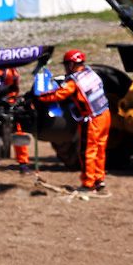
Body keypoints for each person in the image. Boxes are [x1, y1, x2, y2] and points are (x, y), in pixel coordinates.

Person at [40, 49, 112, 194]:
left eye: (67, 65)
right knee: (100, 150)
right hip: (105, 114)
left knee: (87, 152)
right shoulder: (91, 73)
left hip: (92, 120)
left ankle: (88, 184)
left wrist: (40, 97)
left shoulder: (74, 81)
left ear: (72, 64)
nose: (66, 68)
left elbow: (59, 95)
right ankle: (99, 180)